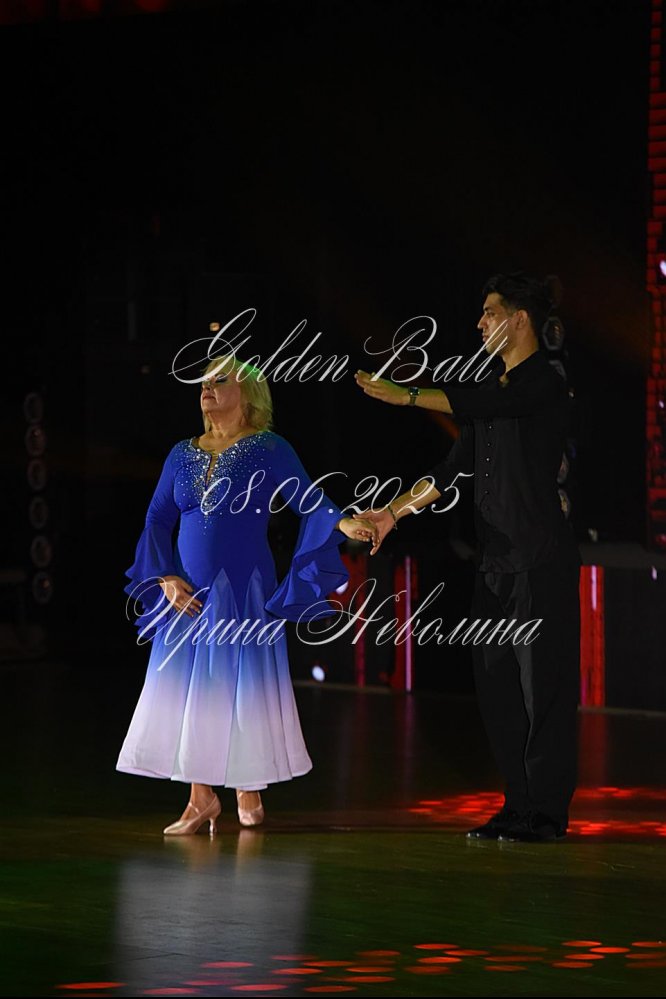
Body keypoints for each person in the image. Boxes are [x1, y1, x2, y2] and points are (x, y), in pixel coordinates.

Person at [354, 272, 581, 843]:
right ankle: (518, 804)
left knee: (544, 691)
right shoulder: (488, 390)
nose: (479, 324)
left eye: (489, 313)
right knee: (497, 689)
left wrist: (408, 394)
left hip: (540, 561)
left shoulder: (544, 384)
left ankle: (546, 813)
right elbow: (449, 471)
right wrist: (392, 513)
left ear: (519, 320)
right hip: (494, 564)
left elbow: (489, 402)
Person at [117, 353, 377, 835]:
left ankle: (247, 785)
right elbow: (157, 518)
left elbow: (307, 500)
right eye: (204, 381)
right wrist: (164, 576)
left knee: (241, 687)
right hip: (187, 594)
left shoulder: (268, 447)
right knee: (194, 691)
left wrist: (343, 523)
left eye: (220, 380)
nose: (207, 387)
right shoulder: (181, 453)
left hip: (244, 590)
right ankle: (200, 799)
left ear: (249, 393)